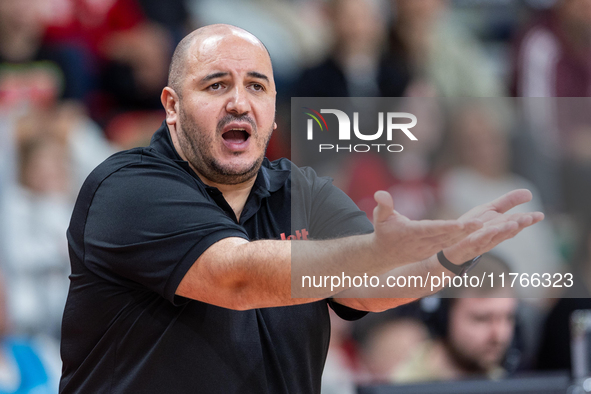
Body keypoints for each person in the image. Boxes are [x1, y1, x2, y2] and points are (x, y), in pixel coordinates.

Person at [59, 24, 543, 393]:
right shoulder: (127, 188)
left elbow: (369, 289)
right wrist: (370, 251)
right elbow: (239, 278)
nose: (239, 102)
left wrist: (449, 257)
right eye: (215, 86)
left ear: (273, 109)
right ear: (172, 105)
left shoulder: (300, 190)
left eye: (256, 86)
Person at [394, 254, 519, 382]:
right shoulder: (405, 384)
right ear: (444, 317)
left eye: (508, 318)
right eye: (481, 319)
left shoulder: (504, 380)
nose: (499, 335)